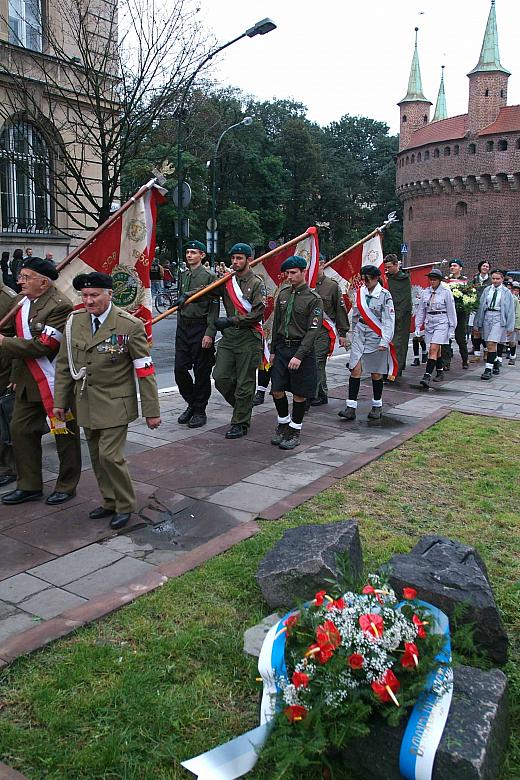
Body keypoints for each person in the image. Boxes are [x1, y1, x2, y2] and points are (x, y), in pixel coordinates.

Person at [53, 272, 161, 529]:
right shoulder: (75, 321)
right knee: (96, 455)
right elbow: (64, 365)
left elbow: (145, 371)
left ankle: (125, 505)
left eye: (94, 295)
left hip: (115, 403)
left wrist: (151, 411)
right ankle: (109, 500)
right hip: (85, 402)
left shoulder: (129, 325)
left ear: (109, 294)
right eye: (84, 295)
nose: (88, 301)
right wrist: (60, 400)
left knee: (110, 456)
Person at [0, 257, 82, 505]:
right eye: (21, 276)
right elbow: (14, 335)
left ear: (44, 282)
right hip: (26, 382)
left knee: (64, 434)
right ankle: (29, 485)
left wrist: (4, 342)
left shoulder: (59, 306)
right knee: (21, 430)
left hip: (55, 382)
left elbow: (44, 346)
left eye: (26, 277)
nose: (19, 280)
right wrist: (15, 375)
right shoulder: (20, 301)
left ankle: (67, 485)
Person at [213, 243, 265, 439]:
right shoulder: (228, 280)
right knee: (220, 377)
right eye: (233, 258)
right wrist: (187, 296)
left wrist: (230, 320)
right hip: (229, 338)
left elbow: (257, 314)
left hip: (248, 337)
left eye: (239, 258)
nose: (235, 262)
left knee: (245, 382)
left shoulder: (257, 283)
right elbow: (208, 290)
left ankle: (240, 422)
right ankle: (243, 406)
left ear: (248, 260)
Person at [269, 255, 323, 449]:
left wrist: (299, 356)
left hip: (302, 350)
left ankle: (294, 430)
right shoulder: (283, 295)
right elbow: (277, 325)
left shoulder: (313, 299)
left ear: (303, 272)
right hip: (283, 348)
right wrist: (273, 350)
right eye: (287, 273)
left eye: (293, 273)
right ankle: (283, 424)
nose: (289, 277)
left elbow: (313, 331)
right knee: (276, 389)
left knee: (299, 393)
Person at [338, 264, 395, 422]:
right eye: (363, 279)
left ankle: (377, 405)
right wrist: (351, 334)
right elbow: (355, 315)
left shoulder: (385, 295)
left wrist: (385, 340)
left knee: (376, 372)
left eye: (368, 279)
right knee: (355, 368)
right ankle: (351, 407)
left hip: (376, 335)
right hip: (360, 333)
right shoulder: (360, 293)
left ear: (376, 278)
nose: (365, 282)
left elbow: (389, 320)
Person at [174, 240, 219, 428]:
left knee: (201, 372)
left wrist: (210, 333)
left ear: (202, 255)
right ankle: (192, 403)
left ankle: (200, 410)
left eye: (194, 252)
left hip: (201, 327)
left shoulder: (209, 276)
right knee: (180, 369)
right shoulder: (183, 275)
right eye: (188, 252)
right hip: (184, 326)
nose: (189, 255)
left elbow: (214, 306)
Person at [311, 255, 348, 405]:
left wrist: (343, 333)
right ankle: (320, 392)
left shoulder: (332, 286)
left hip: (324, 331)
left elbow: (340, 310)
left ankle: (316, 394)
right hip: (307, 331)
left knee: (317, 361)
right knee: (310, 362)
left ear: (322, 264)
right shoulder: (307, 284)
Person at [415, 268, 457, 389]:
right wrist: (418, 325)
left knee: (433, 348)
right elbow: (421, 310)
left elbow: (451, 310)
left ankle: (427, 375)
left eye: (434, 280)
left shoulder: (446, 292)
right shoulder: (426, 292)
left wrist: (452, 328)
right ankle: (439, 371)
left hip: (442, 321)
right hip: (430, 321)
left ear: (439, 280)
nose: (432, 282)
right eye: (430, 279)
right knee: (436, 349)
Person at [473, 268, 515, 381]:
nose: (495, 281)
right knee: (488, 343)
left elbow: (510, 310)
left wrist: (510, 326)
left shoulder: (506, 292)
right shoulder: (487, 290)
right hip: (487, 316)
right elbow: (481, 306)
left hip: (499, 318)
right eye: (493, 278)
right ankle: (495, 361)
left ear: (502, 279)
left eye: (498, 279)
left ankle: (488, 369)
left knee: (492, 342)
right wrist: (477, 322)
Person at [383, 254, 412, 377]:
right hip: (388, 314)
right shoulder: (386, 278)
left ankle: (396, 368)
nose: (387, 269)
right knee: (387, 342)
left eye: (389, 267)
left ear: (396, 265)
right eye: (386, 267)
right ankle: (388, 367)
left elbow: (405, 300)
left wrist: (397, 316)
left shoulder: (404, 279)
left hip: (401, 316)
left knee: (398, 343)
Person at [0, 281, 17, 487]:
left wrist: (14, 373)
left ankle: (8, 467)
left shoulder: (7, 298)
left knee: (4, 420)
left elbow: (16, 335)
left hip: (3, 367)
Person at [442, 259, 469, 369]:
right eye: (451, 266)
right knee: (446, 337)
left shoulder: (465, 281)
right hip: (448, 312)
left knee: (460, 337)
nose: (452, 267)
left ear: (460, 268)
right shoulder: (446, 281)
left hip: (460, 312)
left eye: (455, 265)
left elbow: (470, 294)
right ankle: (446, 362)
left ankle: (465, 359)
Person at [470, 261, 492, 361]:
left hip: (486, 309)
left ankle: (486, 351)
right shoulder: (475, 278)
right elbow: (470, 290)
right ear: (480, 267)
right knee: (475, 331)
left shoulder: (491, 280)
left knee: (485, 331)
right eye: (483, 266)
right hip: (475, 308)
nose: (485, 268)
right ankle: (477, 354)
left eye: (487, 266)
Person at [508, 281, 520, 365]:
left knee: (512, 341)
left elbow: (517, 312)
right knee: (501, 341)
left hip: (513, 322)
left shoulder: (515, 299)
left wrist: (517, 325)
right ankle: (499, 359)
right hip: (504, 322)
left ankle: (512, 356)